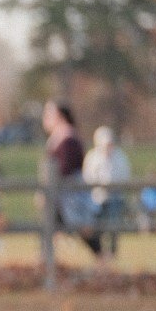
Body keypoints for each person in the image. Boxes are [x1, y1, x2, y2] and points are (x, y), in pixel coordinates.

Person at [41, 101, 101, 257]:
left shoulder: (68, 139)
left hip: (70, 193)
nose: (45, 119)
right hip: (61, 193)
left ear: (60, 116)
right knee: (53, 225)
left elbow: (65, 167)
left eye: (49, 115)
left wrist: (50, 185)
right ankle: (47, 259)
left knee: (81, 226)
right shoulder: (59, 138)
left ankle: (102, 257)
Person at [83, 126, 131, 255]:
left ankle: (112, 252)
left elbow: (125, 176)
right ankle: (100, 253)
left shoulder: (120, 157)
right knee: (97, 227)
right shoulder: (92, 157)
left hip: (115, 198)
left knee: (113, 226)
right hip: (96, 199)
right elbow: (87, 177)